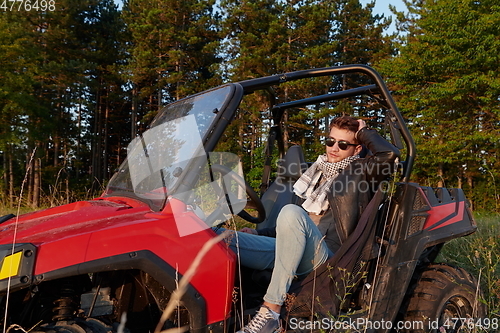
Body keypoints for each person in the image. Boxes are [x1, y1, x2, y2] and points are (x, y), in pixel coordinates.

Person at [221, 115, 400, 333]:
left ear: (356, 149)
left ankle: (271, 313)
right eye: (330, 141)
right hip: (294, 252)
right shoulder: (312, 174)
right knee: (219, 236)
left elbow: (389, 155)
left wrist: (363, 131)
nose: (334, 148)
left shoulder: (361, 173)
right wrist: (260, 234)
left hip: (329, 260)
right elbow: (292, 229)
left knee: (290, 211)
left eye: (343, 144)